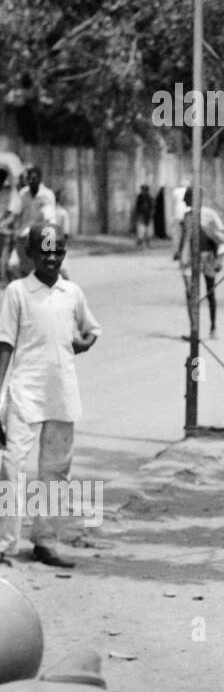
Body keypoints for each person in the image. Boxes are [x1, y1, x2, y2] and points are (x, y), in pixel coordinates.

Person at [0, 224, 101, 569]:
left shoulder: (71, 293)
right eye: (45, 251)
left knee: (55, 472)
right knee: (12, 467)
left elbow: (90, 329)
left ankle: (45, 540)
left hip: (61, 395)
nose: (52, 258)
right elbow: (5, 344)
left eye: (58, 251)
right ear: (30, 254)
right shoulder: (17, 292)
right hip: (24, 392)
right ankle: (4, 543)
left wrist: (83, 343)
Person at [174, 189, 224, 339]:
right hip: (192, 259)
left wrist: (220, 259)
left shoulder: (209, 214)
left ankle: (212, 327)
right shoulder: (187, 216)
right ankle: (195, 330)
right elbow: (184, 238)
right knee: (193, 294)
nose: (186, 203)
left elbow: (222, 237)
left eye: (187, 200)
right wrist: (180, 255)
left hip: (208, 257)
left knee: (209, 292)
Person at [8, 168, 58, 282]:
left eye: (34, 178)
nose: (31, 181)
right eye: (29, 178)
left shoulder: (46, 195)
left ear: (40, 179)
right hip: (23, 236)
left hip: (42, 236)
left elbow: (49, 218)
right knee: (13, 265)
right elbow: (15, 212)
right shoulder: (23, 193)